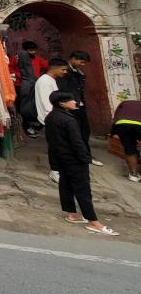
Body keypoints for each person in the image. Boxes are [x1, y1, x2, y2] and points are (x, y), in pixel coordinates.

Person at [45, 90, 118, 235]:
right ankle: (93, 222)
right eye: (71, 100)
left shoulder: (50, 117)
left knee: (65, 184)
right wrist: (85, 158)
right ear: (62, 103)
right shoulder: (69, 120)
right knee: (83, 190)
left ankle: (71, 213)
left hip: (61, 157)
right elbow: (77, 142)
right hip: (74, 159)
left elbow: (51, 140)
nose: (75, 102)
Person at [58, 51, 100, 166]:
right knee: (74, 131)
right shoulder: (65, 71)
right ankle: (79, 155)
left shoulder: (79, 72)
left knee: (84, 131)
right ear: (73, 59)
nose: (83, 64)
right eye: (81, 62)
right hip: (70, 105)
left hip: (79, 104)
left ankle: (85, 154)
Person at [35, 58, 69, 182]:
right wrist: (56, 118)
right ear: (54, 68)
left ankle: (58, 169)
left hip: (54, 117)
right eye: (63, 69)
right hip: (51, 118)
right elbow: (46, 103)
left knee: (59, 145)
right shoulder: (44, 82)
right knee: (56, 145)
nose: (65, 72)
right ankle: (55, 170)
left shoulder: (50, 80)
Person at [110, 99, 141, 182]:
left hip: (122, 125)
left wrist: (112, 132)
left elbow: (115, 118)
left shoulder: (125, 102)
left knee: (129, 149)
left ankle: (133, 175)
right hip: (139, 125)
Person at [15, 41, 41, 134]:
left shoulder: (37, 59)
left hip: (33, 85)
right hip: (21, 85)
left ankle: (31, 123)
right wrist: (20, 77)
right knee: (24, 106)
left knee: (31, 105)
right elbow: (11, 68)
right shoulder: (18, 58)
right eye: (31, 50)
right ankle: (26, 125)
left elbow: (46, 65)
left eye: (34, 50)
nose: (33, 52)